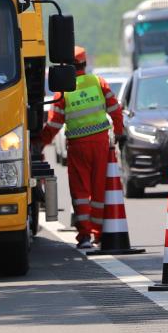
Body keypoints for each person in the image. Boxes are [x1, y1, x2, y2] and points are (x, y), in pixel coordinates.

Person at [41, 46, 125, 249]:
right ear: (85, 64)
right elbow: (115, 109)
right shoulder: (98, 82)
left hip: (78, 146)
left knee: (80, 192)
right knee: (99, 191)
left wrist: (38, 143)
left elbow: (54, 123)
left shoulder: (63, 91)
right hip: (101, 143)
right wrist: (119, 132)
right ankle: (98, 233)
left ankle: (85, 236)